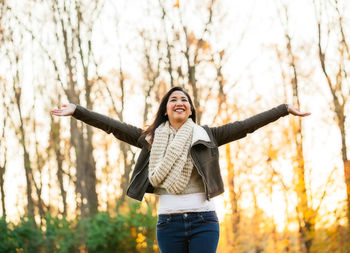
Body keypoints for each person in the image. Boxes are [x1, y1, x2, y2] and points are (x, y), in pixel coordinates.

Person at [51, 86, 310, 253]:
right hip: (168, 224)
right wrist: (78, 112)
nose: (179, 102)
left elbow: (246, 125)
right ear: (166, 109)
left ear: (190, 110)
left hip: (204, 222)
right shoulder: (150, 138)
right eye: (173, 99)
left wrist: (283, 110)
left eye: (184, 100)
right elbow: (113, 126)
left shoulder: (207, 135)